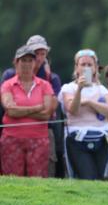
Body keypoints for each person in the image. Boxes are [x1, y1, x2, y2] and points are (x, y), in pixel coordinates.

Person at [2, 35, 63, 178]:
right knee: (12, 180)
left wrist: (19, 111)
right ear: (16, 62)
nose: (28, 64)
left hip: (41, 135)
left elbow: (47, 113)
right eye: (24, 60)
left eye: (42, 54)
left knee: (40, 179)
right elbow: (9, 109)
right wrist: (36, 108)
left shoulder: (49, 80)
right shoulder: (8, 79)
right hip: (11, 135)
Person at [59, 49, 108, 180]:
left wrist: (89, 102)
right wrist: (79, 90)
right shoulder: (68, 88)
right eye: (83, 64)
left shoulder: (102, 89)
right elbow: (73, 110)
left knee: (99, 177)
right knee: (87, 175)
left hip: (102, 139)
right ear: (76, 68)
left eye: (90, 65)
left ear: (95, 68)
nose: (86, 68)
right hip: (77, 139)